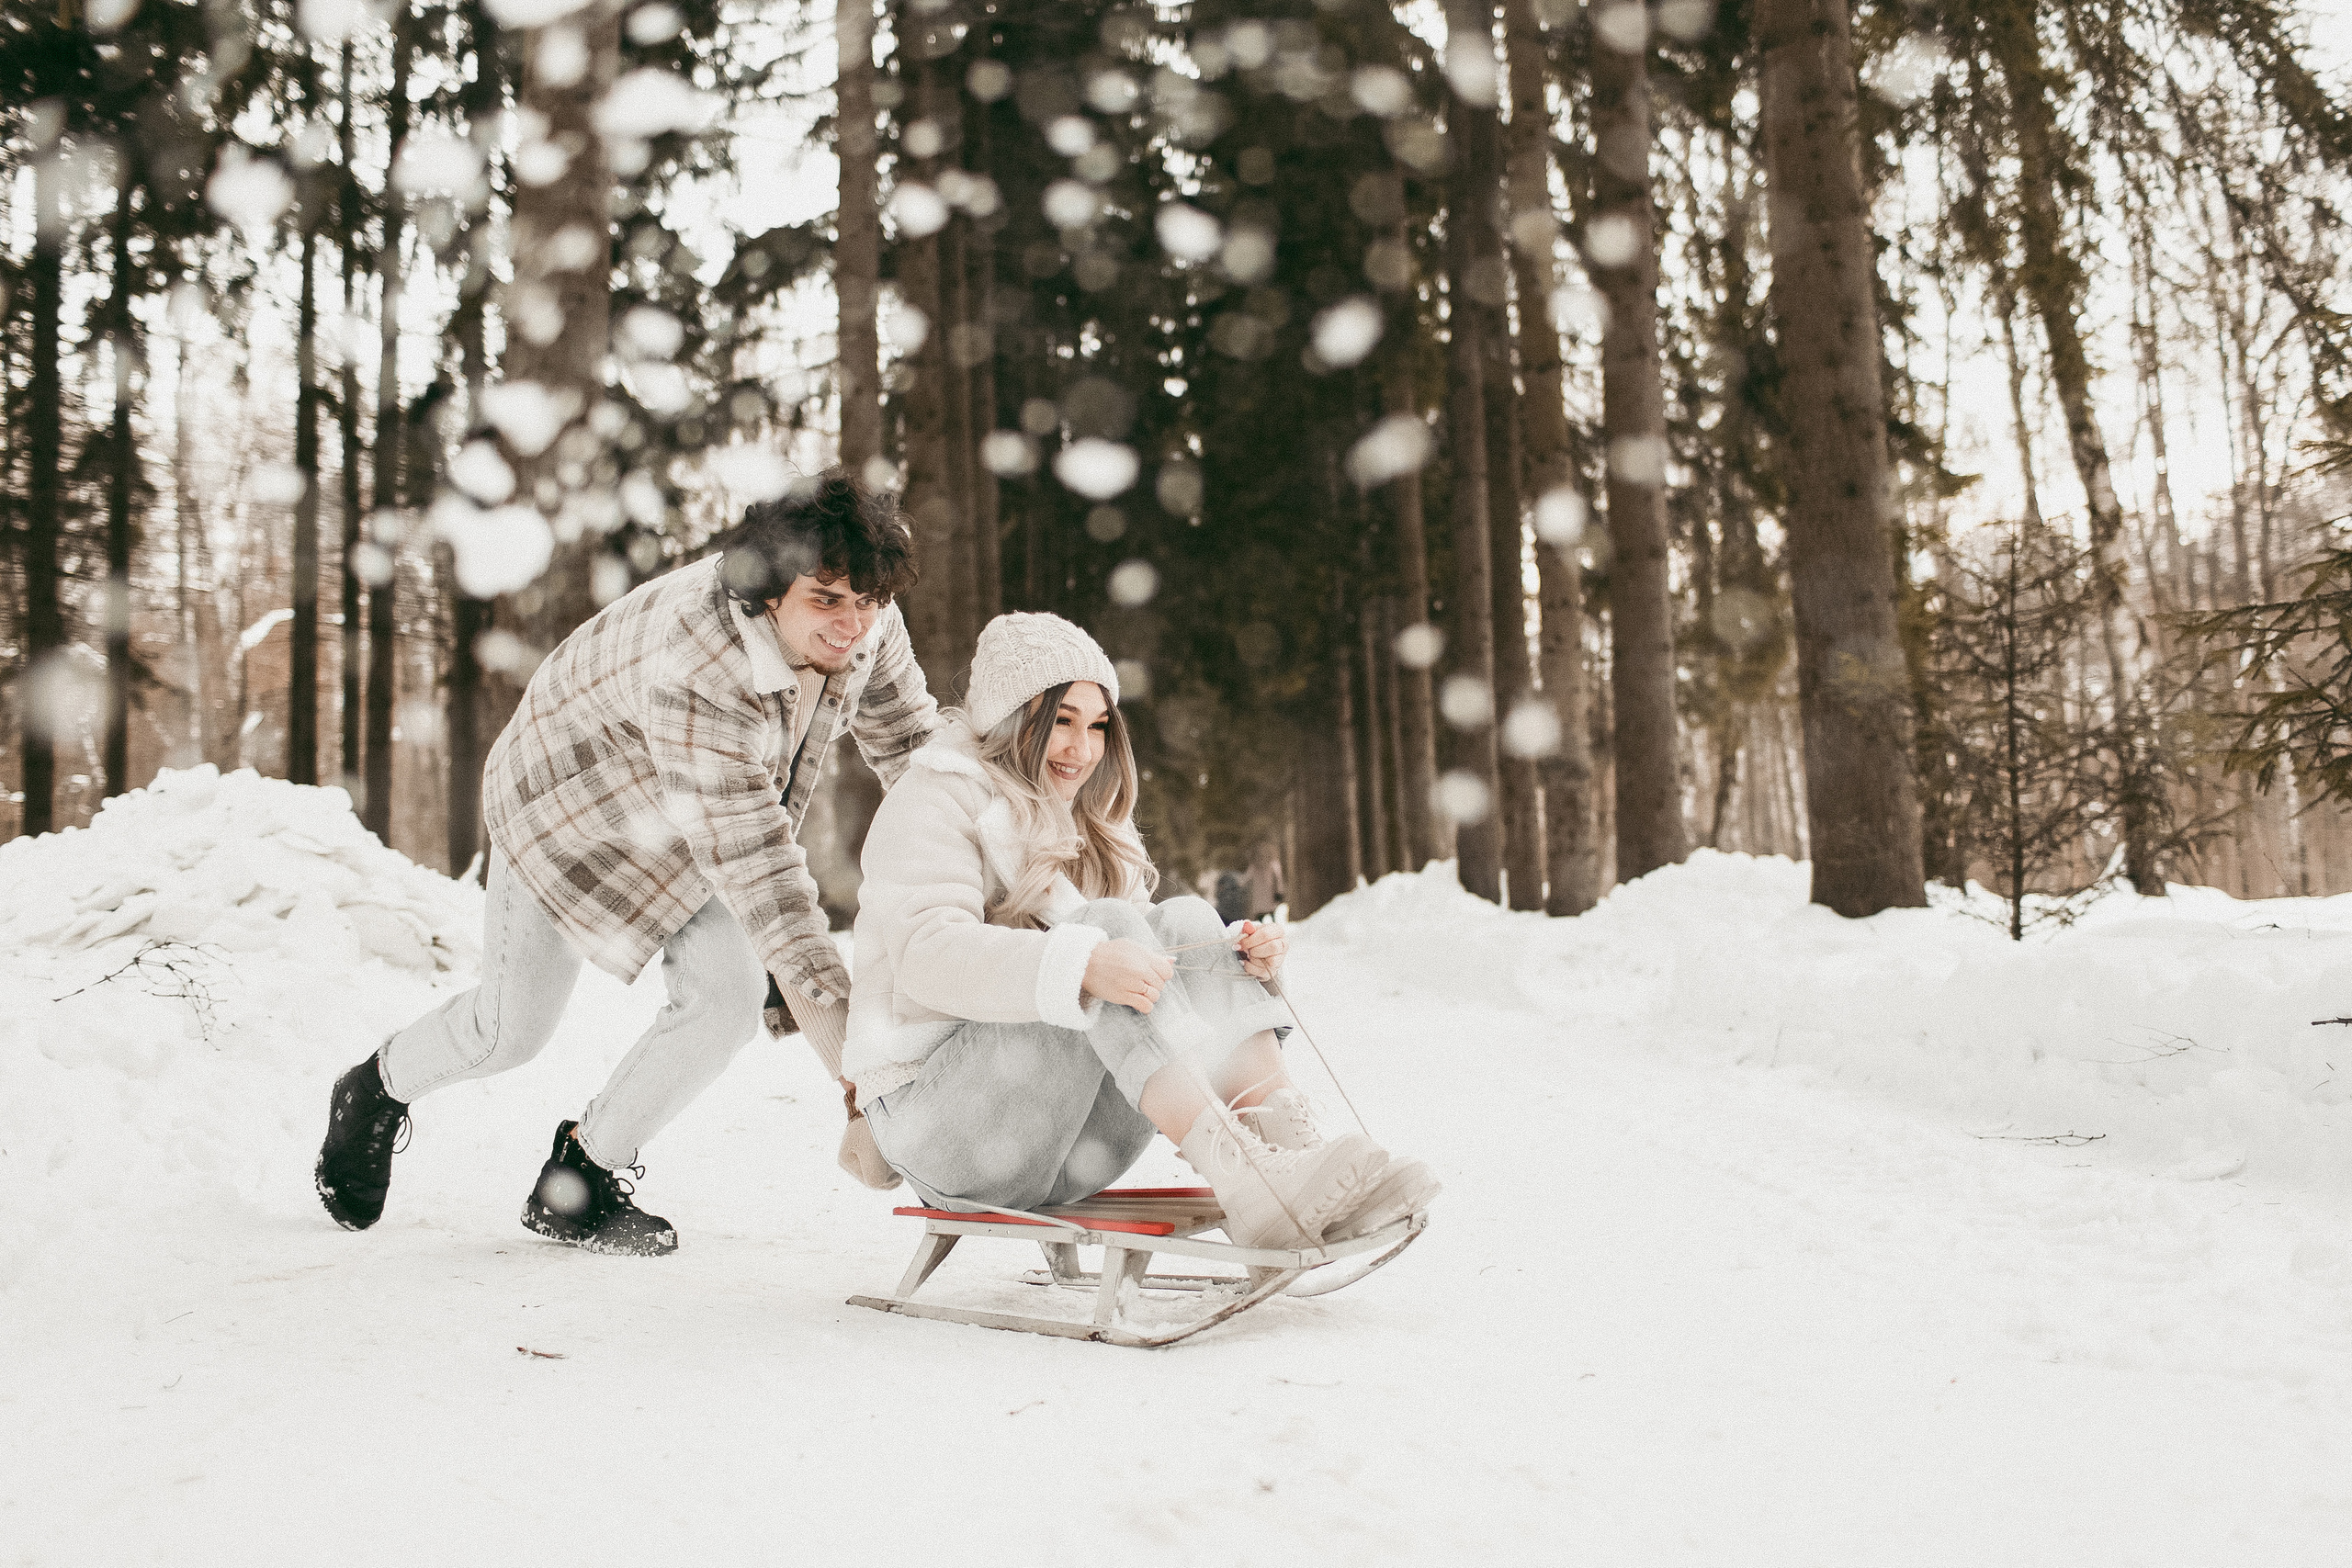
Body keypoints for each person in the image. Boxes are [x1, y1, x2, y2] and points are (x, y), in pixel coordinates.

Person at [314, 468, 937, 1255]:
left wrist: (981, 858)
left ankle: (578, 1179)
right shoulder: (698, 668)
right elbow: (765, 880)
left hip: (696, 819)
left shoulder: (864, 613)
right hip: (568, 814)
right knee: (511, 1030)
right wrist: (859, 1066)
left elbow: (912, 745)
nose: (853, 625)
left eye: (868, 602)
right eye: (828, 601)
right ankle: (374, 1087)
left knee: (726, 1000)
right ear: (769, 591)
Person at [842, 612, 1438, 1247]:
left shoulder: (1093, 825)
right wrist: (1080, 965)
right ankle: (1248, 1182)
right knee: (1104, 932)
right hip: (945, 1131)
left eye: (1098, 726)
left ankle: (1290, 1152)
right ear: (1014, 719)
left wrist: (1238, 963)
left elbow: (1155, 965)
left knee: (1184, 921)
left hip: (1071, 1143)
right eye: (1061, 722)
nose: (1083, 748)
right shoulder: (934, 798)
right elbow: (928, 956)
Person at [1245, 840, 1283, 923]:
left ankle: (1264, 929)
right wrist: (1279, 891)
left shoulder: (1254, 865)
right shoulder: (1273, 863)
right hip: (1268, 894)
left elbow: (1245, 879)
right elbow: (1278, 878)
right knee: (1271, 915)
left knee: (1260, 917)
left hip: (1259, 896)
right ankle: (1273, 929)